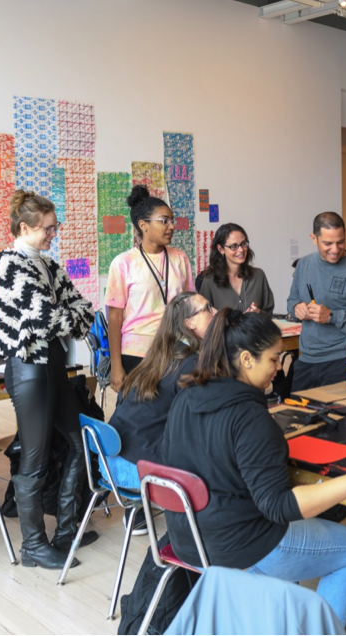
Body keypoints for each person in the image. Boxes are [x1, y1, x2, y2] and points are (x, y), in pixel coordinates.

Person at [160, 309, 346, 625]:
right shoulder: (249, 418)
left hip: (188, 540)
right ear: (247, 359)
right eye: (274, 360)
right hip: (238, 549)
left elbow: (171, 461)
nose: (279, 368)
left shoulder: (187, 396)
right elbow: (279, 507)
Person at [0, 190, 96, 568]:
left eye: (55, 226)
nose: (54, 233)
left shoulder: (49, 265)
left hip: (52, 365)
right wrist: (63, 319)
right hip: (28, 369)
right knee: (34, 458)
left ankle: (66, 532)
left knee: (81, 440)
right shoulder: (8, 264)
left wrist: (62, 318)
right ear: (24, 228)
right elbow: (44, 319)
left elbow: (84, 310)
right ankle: (33, 546)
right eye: (48, 228)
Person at [105, 292, 215, 490]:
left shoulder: (160, 354)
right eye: (207, 308)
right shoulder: (189, 364)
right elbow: (201, 423)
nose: (214, 312)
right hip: (138, 469)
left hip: (111, 460)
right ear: (189, 323)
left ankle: (139, 516)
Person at [107, 186, 196, 391]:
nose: (171, 226)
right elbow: (114, 318)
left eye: (172, 220)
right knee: (142, 413)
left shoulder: (179, 258)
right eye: (164, 221)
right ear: (143, 225)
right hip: (137, 352)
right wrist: (116, 366)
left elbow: (190, 304)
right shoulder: (123, 263)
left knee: (178, 412)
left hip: (176, 347)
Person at [287, 212, 346, 391]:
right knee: (299, 417)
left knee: (342, 418)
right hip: (306, 360)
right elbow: (292, 301)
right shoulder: (303, 265)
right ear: (314, 238)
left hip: (343, 362)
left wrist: (332, 316)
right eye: (328, 243)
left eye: (341, 242)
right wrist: (296, 308)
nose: (335, 249)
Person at [199, 223, 275, 316]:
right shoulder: (209, 281)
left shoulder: (258, 275)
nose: (241, 250)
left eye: (243, 244)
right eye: (234, 246)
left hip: (255, 330)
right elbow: (204, 320)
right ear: (221, 249)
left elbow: (268, 313)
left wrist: (258, 313)